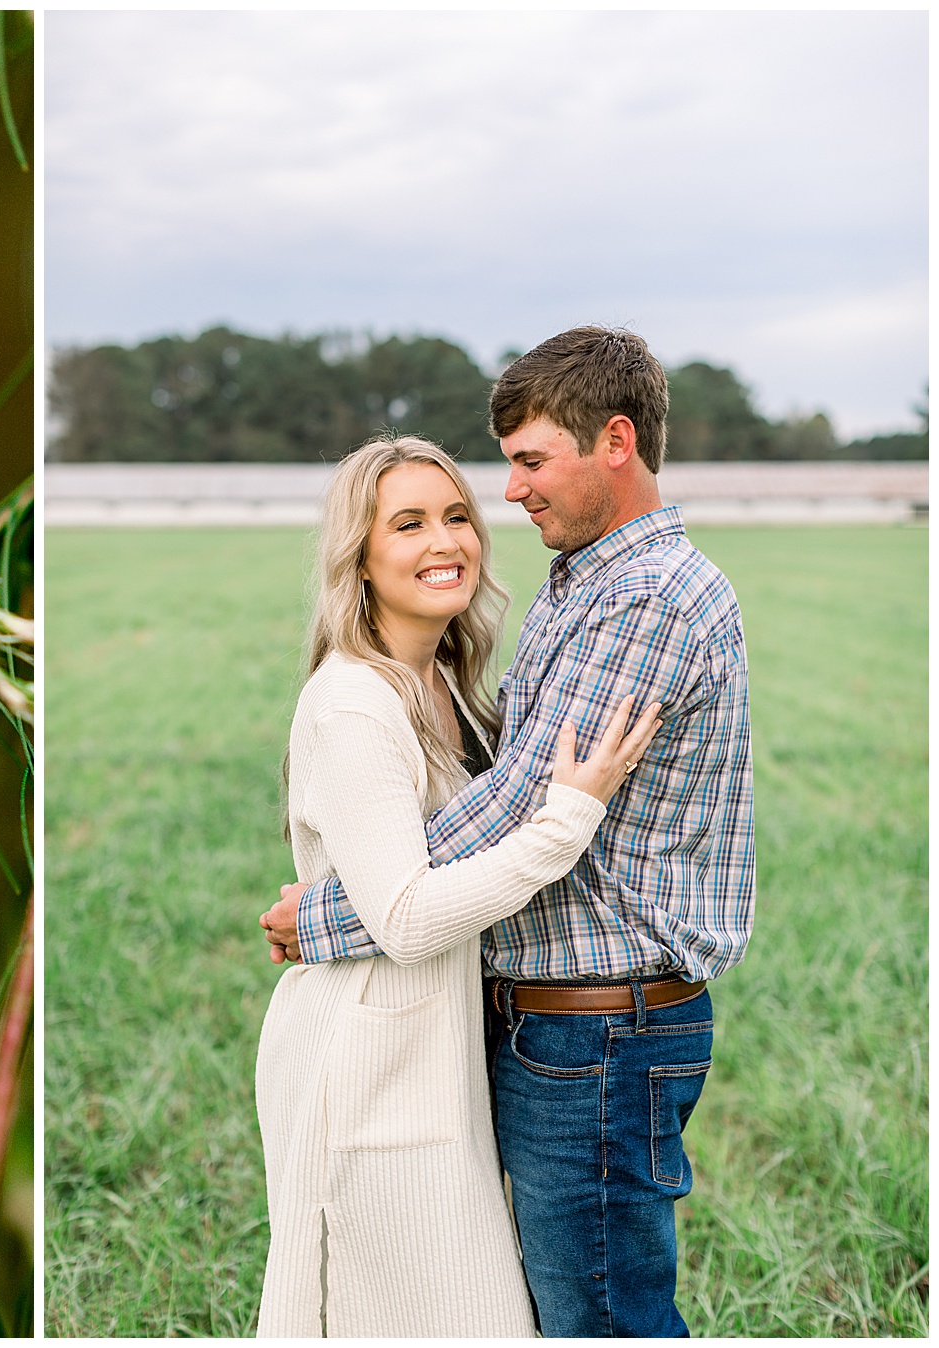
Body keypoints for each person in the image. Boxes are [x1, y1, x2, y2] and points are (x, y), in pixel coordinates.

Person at [261, 326, 755, 1338]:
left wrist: (336, 916)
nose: (509, 493)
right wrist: (377, 912)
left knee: (600, 1320)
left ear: (614, 441)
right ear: (358, 555)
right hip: (540, 1027)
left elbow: (528, 803)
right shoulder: (579, 584)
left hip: (599, 1028)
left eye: (529, 462)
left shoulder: (643, 595)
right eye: (415, 521)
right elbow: (517, 810)